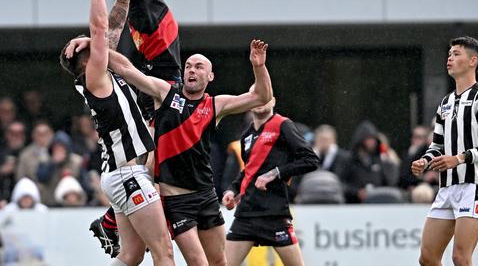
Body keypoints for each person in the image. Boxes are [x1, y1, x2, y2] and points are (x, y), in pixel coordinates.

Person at [67, 31, 273, 265]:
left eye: (198, 67)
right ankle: (110, 220)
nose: (191, 70)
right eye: (188, 66)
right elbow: (127, 69)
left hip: (206, 195)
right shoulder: (166, 93)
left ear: (211, 76)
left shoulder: (215, 105)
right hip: (177, 201)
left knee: (219, 263)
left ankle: (109, 221)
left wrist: (259, 66)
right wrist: (96, 46)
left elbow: (261, 96)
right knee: (198, 263)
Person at [60, 0, 174, 266]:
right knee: (163, 250)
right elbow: (99, 30)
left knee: (131, 255)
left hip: (121, 174)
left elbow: (111, 27)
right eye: (83, 45)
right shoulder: (93, 76)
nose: (89, 42)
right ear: (80, 60)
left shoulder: (102, 71)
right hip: (127, 174)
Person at [90, 0, 185, 257]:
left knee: (152, 154)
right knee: (158, 154)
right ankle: (116, 219)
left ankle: (113, 220)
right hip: (160, 80)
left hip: (160, 79)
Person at [412, 36, 478, 266]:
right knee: (427, 258)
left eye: (456, 54)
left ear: (472, 60)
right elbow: (436, 146)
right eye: (449, 54)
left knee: (460, 258)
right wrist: (424, 161)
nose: (450, 58)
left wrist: (458, 159)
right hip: (445, 188)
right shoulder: (445, 103)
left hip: (472, 186)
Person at [222, 94, 319, 266]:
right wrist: (232, 190)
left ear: (273, 101)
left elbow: (310, 160)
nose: (260, 100)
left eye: (265, 96)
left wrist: (275, 173)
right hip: (246, 215)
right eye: (256, 96)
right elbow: (248, 171)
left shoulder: (283, 125)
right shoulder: (246, 135)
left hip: (274, 214)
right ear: (250, 103)